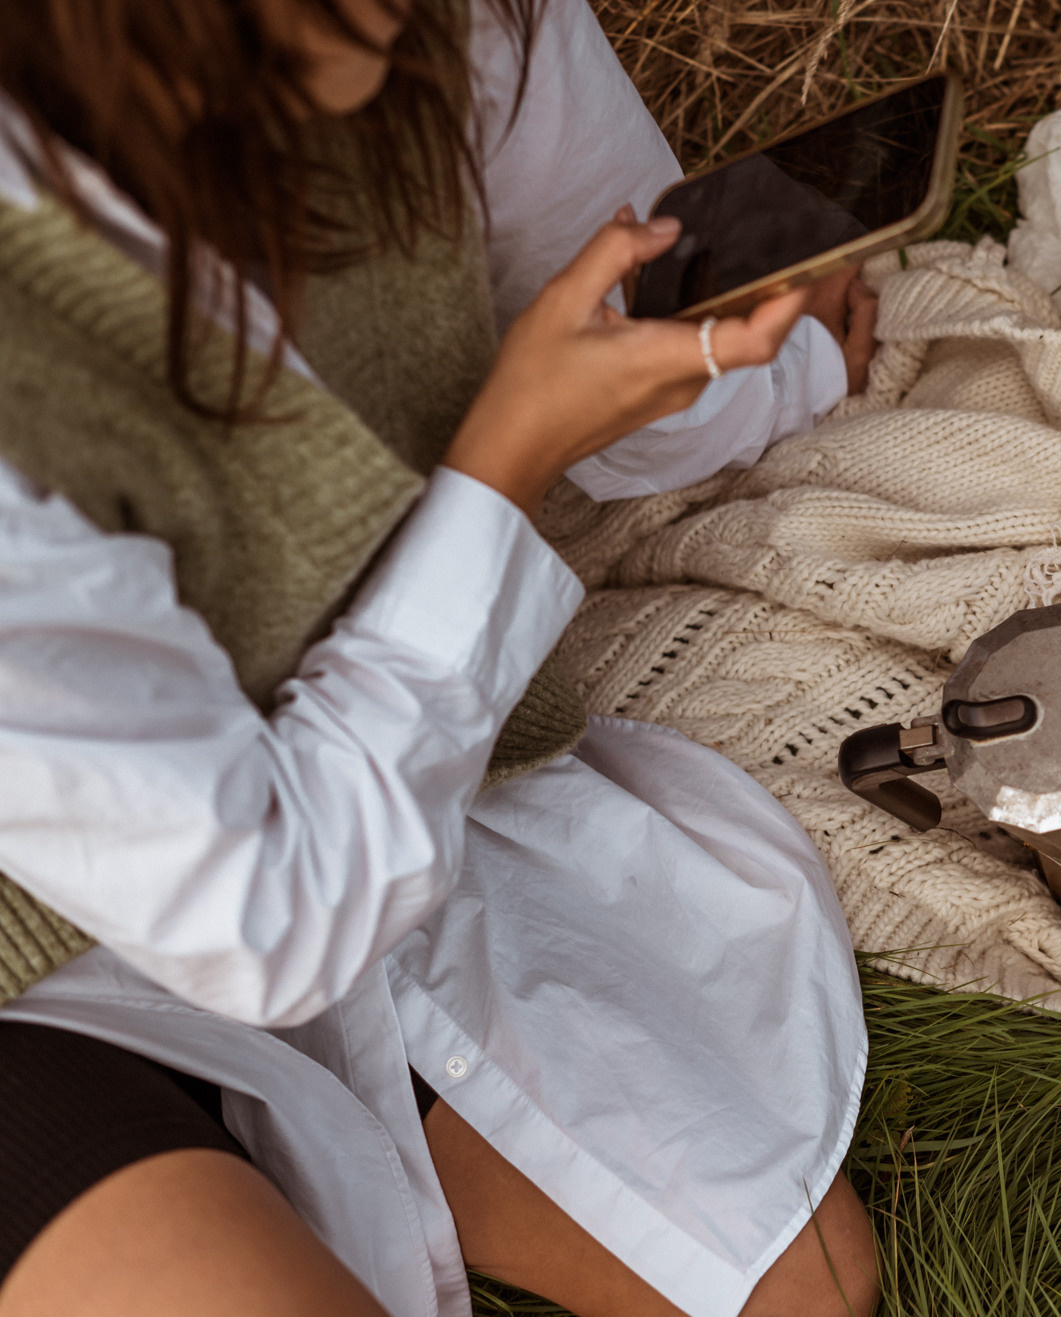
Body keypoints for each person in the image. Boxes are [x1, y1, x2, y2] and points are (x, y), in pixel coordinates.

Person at [0, 0, 880, 1314]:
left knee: (803, 1284)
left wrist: (743, 358)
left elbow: (604, 331)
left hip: (350, 780)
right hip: (54, 952)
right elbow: (269, 914)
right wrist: (502, 460)